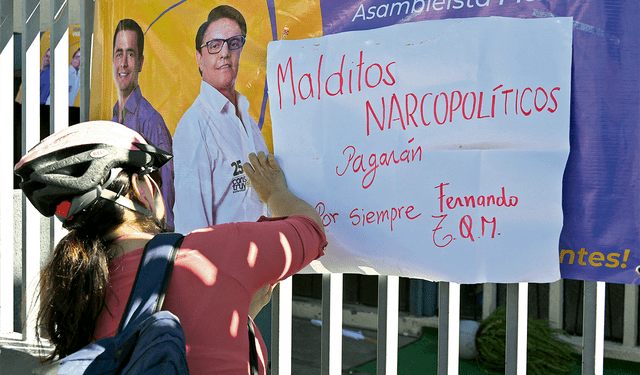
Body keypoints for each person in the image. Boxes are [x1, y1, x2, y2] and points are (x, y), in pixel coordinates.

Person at [15, 121, 327, 375]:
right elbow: (311, 229)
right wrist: (274, 192)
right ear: (142, 188)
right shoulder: (210, 253)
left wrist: (236, 310)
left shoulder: (81, 289)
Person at [172, 5, 269, 232]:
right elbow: (191, 230)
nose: (225, 53)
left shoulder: (246, 116)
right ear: (199, 58)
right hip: (225, 265)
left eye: (233, 44)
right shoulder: (193, 126)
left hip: (261, 258)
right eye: (214, 46)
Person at [111, 18, 176, 230]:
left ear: (140, 62)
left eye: (130, 54)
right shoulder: (113, 117)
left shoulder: (151, 120)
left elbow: (166, 187)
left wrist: (162, 232)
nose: (123, 63)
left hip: (146, 233)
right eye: (118, 53)